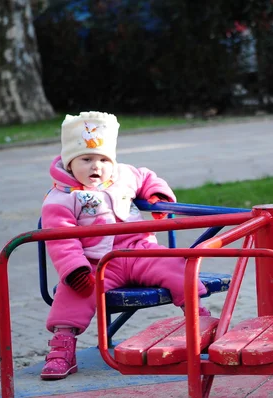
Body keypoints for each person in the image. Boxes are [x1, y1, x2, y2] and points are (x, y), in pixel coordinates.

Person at [40, 111, 210, 380]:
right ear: (69, 163)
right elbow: (60, 237)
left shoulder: (124, 175)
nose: (96, 166)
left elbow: (146, 177)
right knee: (73, 293)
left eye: (104, 160)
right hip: (98, 263)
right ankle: (63, 348)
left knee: (180, 267)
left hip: (141, 251)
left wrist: (156, 194)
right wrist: (75, 269)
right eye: (86, 159)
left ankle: (200, 322)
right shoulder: (60, 197)